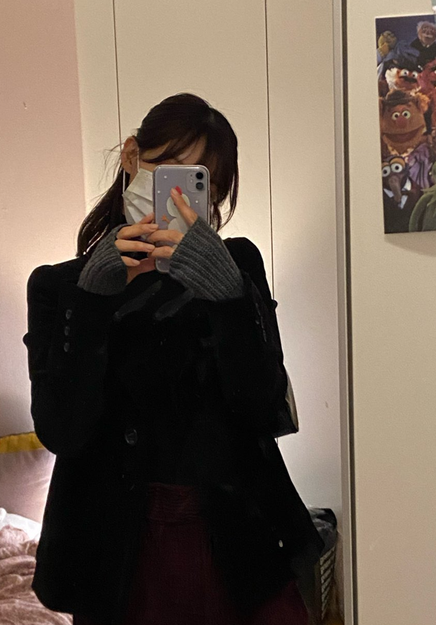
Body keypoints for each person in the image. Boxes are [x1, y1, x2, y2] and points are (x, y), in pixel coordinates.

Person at [23, 93, 323, 625]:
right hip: (115, 554)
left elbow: (262, 408)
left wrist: (228, 298)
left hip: (238, 540)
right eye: (170, 171)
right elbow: (61, 430)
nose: (179, 196)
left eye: (202, 182)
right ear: (132, 157)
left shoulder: (237, 266)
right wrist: (91, 300)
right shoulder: (59, 287)